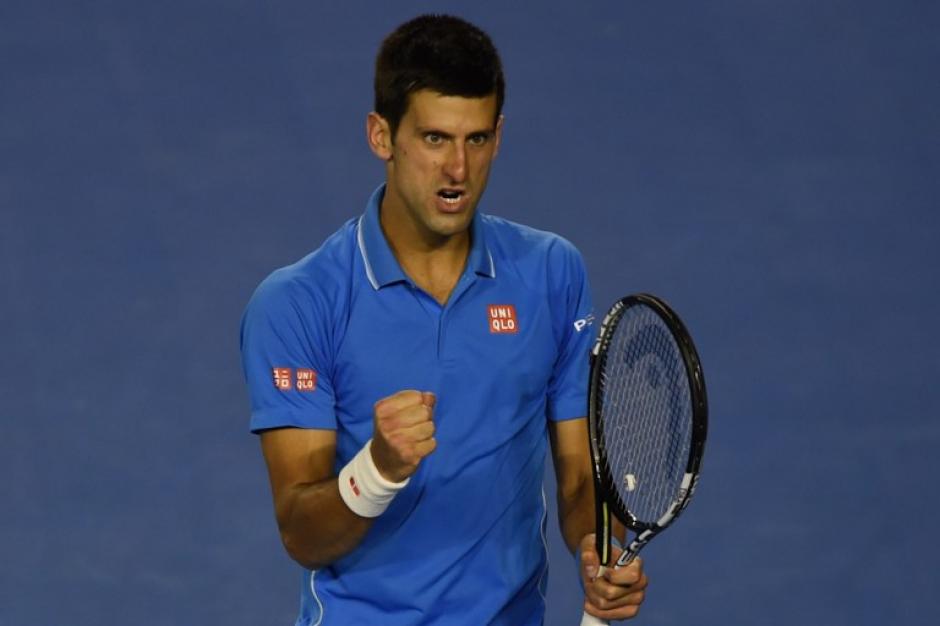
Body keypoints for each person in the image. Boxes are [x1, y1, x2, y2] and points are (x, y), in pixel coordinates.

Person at [240, 14, 647, 625]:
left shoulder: (551, 274)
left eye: (476, 139)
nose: (458, 169)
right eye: (434, 139)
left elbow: (576, 478)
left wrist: (600, 547)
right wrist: (376, 469)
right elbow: (303, 533)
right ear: (382, 136)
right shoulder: (298, 303)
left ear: (498, 135)